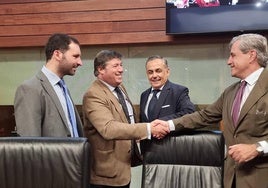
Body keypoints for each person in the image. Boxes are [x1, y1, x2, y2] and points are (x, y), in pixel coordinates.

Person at [153, 33, 268, 188]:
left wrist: (258, 148)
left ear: (251, 55)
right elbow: (204, 116)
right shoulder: (231, 92)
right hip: (231, 178)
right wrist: (169, 125)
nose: (229, 61)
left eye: (233, 55)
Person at [82, 50, 170, 188]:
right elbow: (109, 129)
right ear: (100, 69)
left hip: (123, 167)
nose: (121, 70)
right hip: (105, 175)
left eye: (121, 65)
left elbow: (127, 118)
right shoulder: (93, 95)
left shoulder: (119, 87)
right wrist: (148, 128)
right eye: (116, 66)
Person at [14, 33, 83, 137]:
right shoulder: (30, 89)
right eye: (75, 56)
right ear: (57, 54)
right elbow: (30, 142)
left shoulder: (63, 88)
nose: (80, 62)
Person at [140, 55, 195, 123]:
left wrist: (162, 123)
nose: (154, 75)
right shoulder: (144, 95)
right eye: (150, 72)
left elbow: (189, 113)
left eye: (158, 71)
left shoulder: (179, 92)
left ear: (167, 72)